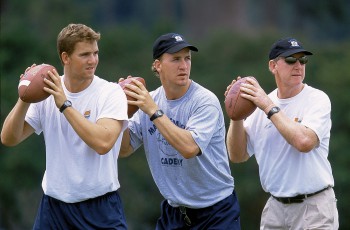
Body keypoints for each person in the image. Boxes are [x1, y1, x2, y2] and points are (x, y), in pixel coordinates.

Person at [1, 23, 128, 229]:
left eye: (95, 53)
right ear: (65, 58)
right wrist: (25, 97)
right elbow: (9, 138)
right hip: (53, 208)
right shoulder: (46, 91)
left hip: (99, 208)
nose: (93, 60)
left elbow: (103, 143)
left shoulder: (110, 92)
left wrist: (64, 105)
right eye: (85, 54)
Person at [119, 33, 241, 229]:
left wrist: (152, 110)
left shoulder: (204, 101)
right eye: (176, 59)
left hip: (216, 211)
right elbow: (124, 148)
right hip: (174, 212)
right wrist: (121, 113)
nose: (184, 65)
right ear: (158, 65)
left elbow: (189, 147)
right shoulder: (149, 100)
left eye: (187, 58)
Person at [226, 37, 338, 229]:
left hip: (314, 208)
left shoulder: (317, 99)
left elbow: (304, 142)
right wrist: (235, 114)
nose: (298, 65)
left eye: (302, 60)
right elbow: (237, 155)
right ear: (273, 66)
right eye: (290, 60)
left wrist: (268, 106)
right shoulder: (262, 103)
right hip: (275, 210)